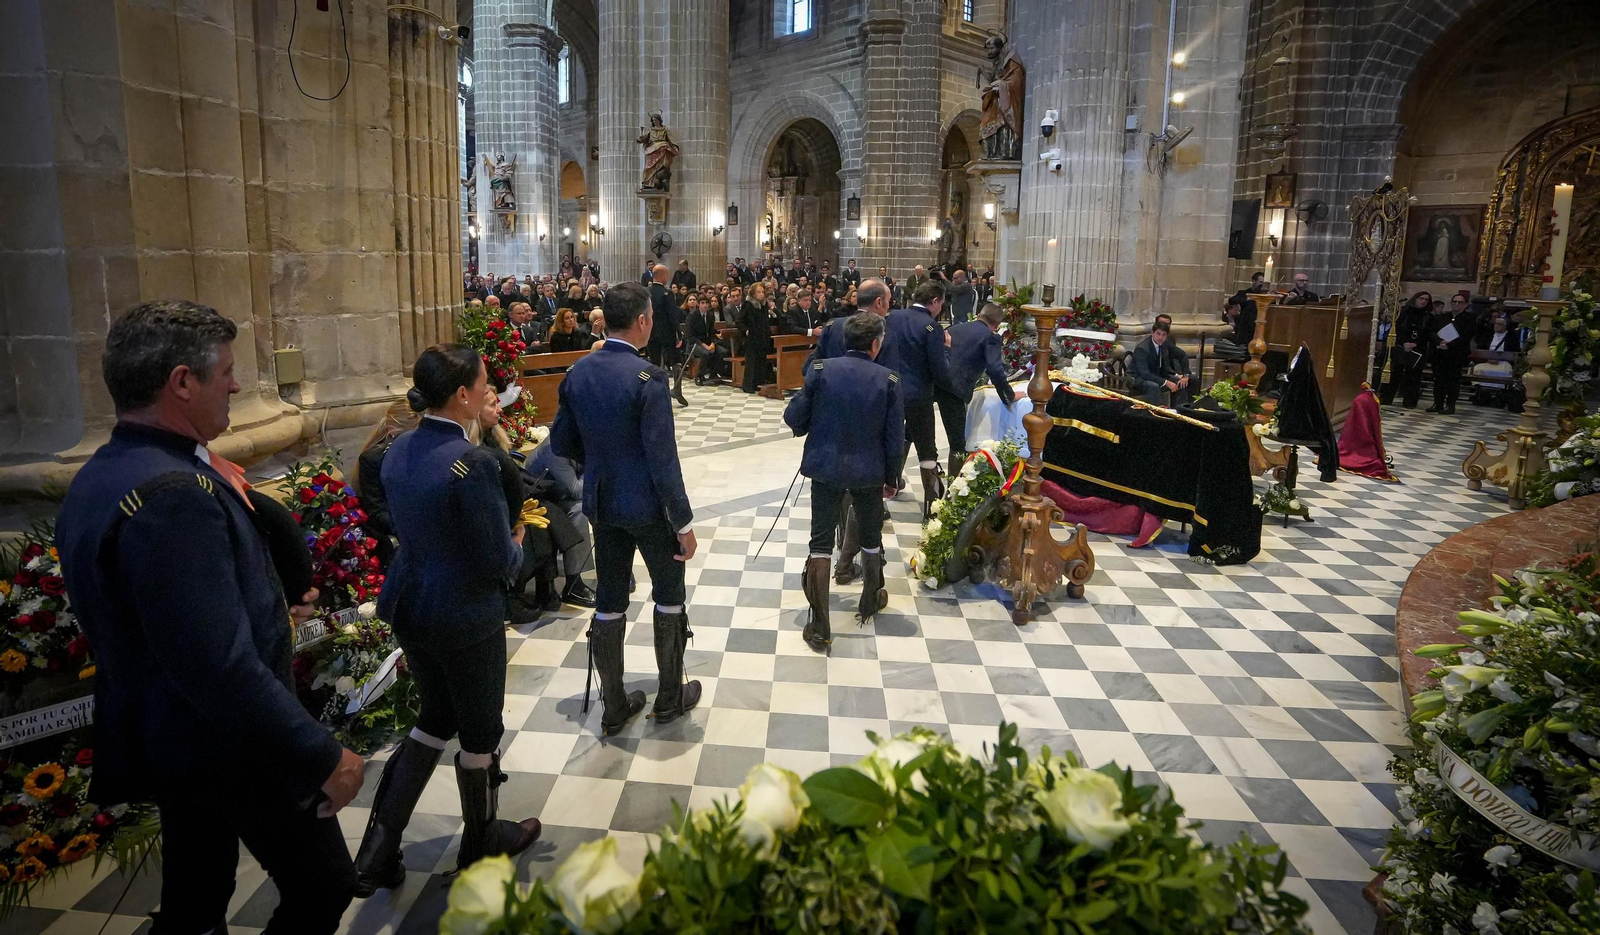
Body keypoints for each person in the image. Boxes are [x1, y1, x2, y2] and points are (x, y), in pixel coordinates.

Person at [57, 301, 363, 932]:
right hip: (227, 740)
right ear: (181, 383)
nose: (236, 384)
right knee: (324, 883)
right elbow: (217, 664)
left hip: (169, 730)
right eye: (224, 370)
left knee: (198, 889)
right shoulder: (172, 497)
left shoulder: (110, 472)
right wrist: (320, 754)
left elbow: (172, 617)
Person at [356, 345, 542, 895]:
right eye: (484, 382)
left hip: (411, 604)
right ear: (461, 395)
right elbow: (494, 560)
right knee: (480, 731)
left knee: (434, 719)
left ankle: (375, 852)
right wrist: (516, 543)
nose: (490, 390)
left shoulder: (396, 450)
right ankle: (482, 845)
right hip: (464, 614)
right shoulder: (475, 464)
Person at [550, 282, 701, 737]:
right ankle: (670, 699)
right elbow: (663, 459)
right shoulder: (647, 379)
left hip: (601, 501)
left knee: (610, 599)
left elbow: (560, 441)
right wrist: (684, 521)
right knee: (669, 593)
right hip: (649, 508)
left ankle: (614, 705)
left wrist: (595, 463)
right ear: (642, 321)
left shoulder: (579, 372)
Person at [784, 312, 904, 650]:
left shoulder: (821, 371)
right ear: (876, 343)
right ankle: (870, 598)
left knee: (820, 541)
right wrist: (892, 476)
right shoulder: (889, 379)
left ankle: (820, 622)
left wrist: (807, 425)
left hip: (826, 466)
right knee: (870, 533)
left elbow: (794, 415)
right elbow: (895, 437)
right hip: (869, 470)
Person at [879, 280, 958, 520]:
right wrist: (947, 350)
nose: (940, 309)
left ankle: (879, 501)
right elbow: (938, 370)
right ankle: (931, 509)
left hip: (890, 391)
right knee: (927, 451)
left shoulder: (892, 317)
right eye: (941, 304)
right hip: (918, 396)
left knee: (886, 443)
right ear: (934, 301)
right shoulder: (931, 327)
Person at [943, 303, 1016, 474]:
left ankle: (894, 480)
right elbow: (995, 369)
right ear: (997, 325)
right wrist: (1008, 396)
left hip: (937, 383)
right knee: (957, 443)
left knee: (911, 432)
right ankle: (952, 492)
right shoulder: (990, 337)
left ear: (978, 315)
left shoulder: (955, 329)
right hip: (957, 390)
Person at [354, 400, 422, 567]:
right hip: (394, 529)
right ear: (393, 431)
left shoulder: (420, 455)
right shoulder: (373, 460)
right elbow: (376, 511)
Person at [1382, 291, 1433, 408]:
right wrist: (1404, 343)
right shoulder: (1403, 312)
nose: (1423, 301)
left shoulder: (1428, 316)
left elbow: (1428, 333)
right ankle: (1387, 397)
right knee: (1394, 373)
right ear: (1415, 299)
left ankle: (1410, 401)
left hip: (1417, 348)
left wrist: (1415, 343)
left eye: (1426, 300)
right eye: (1421, 298)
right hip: (1400, 346)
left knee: (1413, 376)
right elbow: (1396, 329)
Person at [1427, 291, 1475, 414]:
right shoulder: (1442, 317)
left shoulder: (1469, 319)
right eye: (1454, 302)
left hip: (1456, 354)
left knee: (1452, 380)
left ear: (1465, 305)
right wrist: (1439, 342)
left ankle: (1450, 405)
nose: (1456, 304)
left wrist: (1449, 344)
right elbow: (1432, 331)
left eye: (1460, 302)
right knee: (1439, 379)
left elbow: (1466, 336)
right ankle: (1438, 403)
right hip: (1440, 353)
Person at [1128, 320, 1189, 405]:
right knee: (1154, 386)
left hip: (1156, 375)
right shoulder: (1142, 349)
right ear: (1152, 333)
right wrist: (1166, 382)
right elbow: (1145, 374)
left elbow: (1182, 355)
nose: (1161, 337)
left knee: (1181, 383)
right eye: (1158, 334)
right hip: (1138, 379)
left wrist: (1185, 375)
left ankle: (1179, 410)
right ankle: (1156, 413)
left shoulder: (1164, 344)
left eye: (1164, 335)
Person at [677, 292, 727, 391]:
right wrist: (705, 346)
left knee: (722, 351)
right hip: (695, 344)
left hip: (708, 342)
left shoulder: (710, 316)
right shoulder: (692, 317)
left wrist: (713, 343)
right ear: (698, 304)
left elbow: (712, 333)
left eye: (706, 303)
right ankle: (699, 376)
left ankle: (713, 373)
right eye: (702, 303)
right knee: (705, 353)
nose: (704, 305)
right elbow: (690, 336)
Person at [741, 282, 775, 393]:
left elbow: (765, 321)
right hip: (752, 337)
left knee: (761, 361)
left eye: (762, 292)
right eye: (758, 292)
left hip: (763, 336)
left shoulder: (764, 305)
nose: (761, 294)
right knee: (751, 362)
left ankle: (758, 383)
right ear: (753, 294)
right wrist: (746, 331)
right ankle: (748, 385)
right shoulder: (748, 304)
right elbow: (739, 321)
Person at [1214, 297, 1255, 361]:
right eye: (1235, 308)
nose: (1237, 309)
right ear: (1229, 309)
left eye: (1237, 307)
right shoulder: (1223, 318)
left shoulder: (1239, 318)